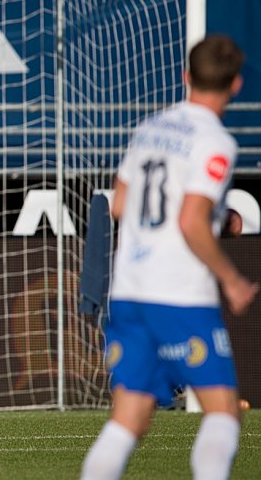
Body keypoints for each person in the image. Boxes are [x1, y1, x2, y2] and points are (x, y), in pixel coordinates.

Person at [81, 35, 259, 480]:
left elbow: (119, 206)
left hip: (130, 291)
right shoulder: (215, 141)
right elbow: (191, 222)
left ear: (186, 77)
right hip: (179, 294)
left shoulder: (150, 128)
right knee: (222, 413)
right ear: (236, 85)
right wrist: (232, 279)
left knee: (128, 421)